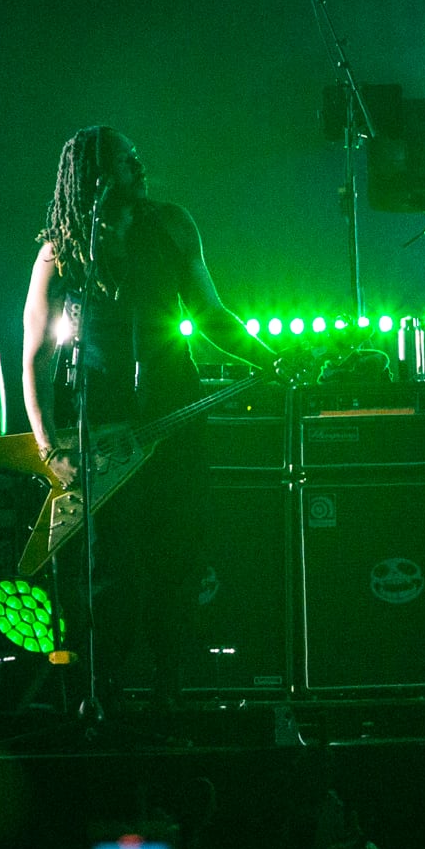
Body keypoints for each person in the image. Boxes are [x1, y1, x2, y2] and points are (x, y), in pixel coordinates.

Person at [20, 126, 274, 707]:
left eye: (137, 157)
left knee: (178, 559)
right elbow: (34, 352)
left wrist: (271, 359)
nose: (139, 167)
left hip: (175, 417)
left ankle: (169, 690)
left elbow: (211, 313)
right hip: (101, 428)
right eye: (125, 162)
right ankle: (101, 691)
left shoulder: (172, 225)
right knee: (110, 570)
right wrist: (48, 446)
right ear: (94, 177)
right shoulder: (61, 250)